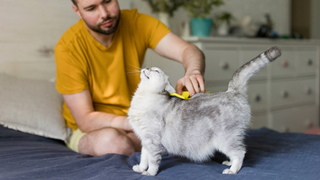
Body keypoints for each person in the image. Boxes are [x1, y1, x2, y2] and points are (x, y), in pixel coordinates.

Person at [55, 0, 206, 157]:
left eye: (107, 1)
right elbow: (86, 121)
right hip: (94, 129)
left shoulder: (137, 22)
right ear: (77, 11)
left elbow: (188, 50)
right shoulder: (68, 48)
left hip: (138, 118)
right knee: (113, 143)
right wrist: (143, 122)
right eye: (91, 8)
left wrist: (193, 72)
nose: (104, 14)